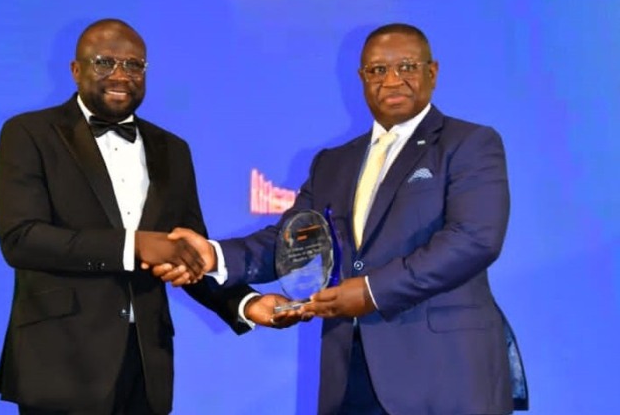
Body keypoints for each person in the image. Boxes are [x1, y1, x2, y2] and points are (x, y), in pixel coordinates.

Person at [159, 23, 529, 415]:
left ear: (432, 72)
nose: (392, 80)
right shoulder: (332, 163)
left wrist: (371, 291)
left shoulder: (469, 143)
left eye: (406, 66)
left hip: (444, 373)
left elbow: (474, 239)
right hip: (349, 376)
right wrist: (213, 256)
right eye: (378, 70)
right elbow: (292, 244)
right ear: (362, 78)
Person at [0, 18, 295, 415]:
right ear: (76, 70)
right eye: (105, 62)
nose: (121, 75)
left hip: (146, 364)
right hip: (60, 362)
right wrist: (133, 246)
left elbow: (188, 252)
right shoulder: (29, 133)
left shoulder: (173, 149)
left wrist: (245, 302)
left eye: (134, 65)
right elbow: (21, 239)